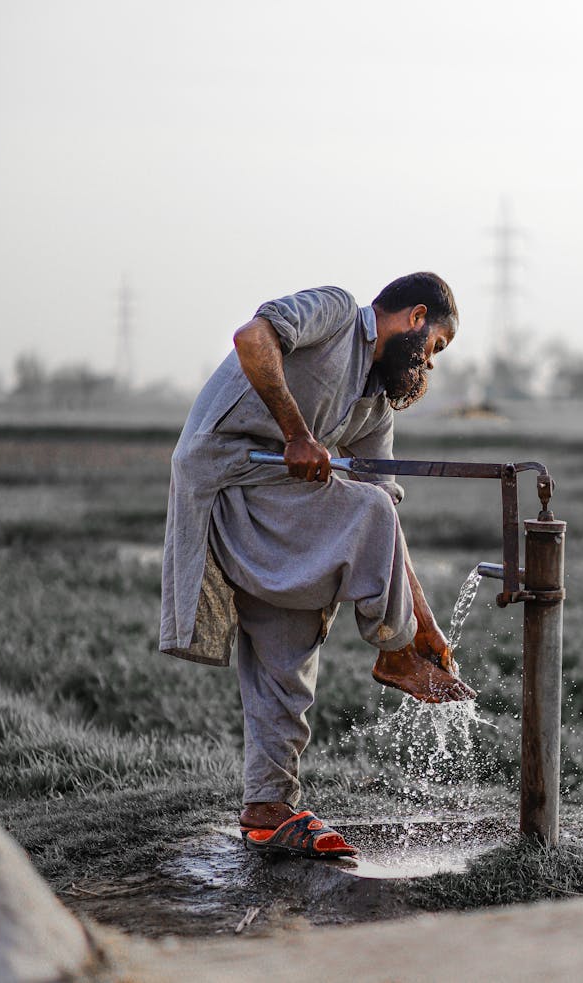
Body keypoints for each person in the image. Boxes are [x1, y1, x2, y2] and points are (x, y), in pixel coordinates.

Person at [159, 272, 475, 858]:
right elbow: (252, 339)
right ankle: (394, 654)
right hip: (231, 479)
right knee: (369, 510)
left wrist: (425, 622)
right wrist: (298, 435)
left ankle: (268, 808)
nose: (430, 365)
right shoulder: (334, 312)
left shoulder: (375, 408)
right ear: (415, 317)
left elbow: (385, 521)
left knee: (291, 640)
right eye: (435, 348)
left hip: (281, 504)